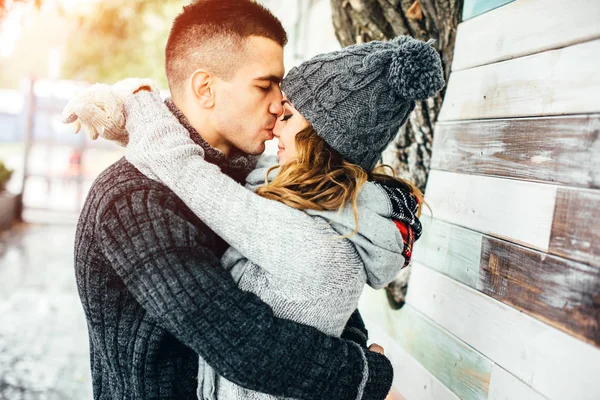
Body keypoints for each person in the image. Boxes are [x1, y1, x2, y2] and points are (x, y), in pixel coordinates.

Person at [65, 19, 445, 400]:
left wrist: (134, 101)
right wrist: (363, 374)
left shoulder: (246, 179)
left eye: (285, 100)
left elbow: (308, 292)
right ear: (205, 88)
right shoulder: (134, 199)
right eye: (266, 85)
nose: (278, 103)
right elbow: (237, 337)